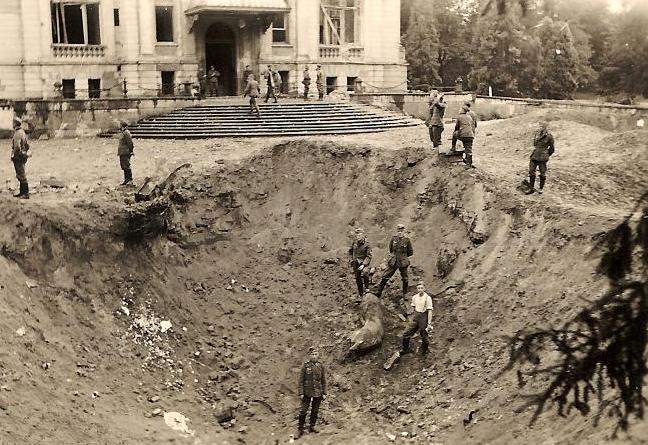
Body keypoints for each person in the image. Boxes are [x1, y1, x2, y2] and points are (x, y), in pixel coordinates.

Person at [297, 347, 327, 438]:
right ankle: (300, 429)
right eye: (312, 354)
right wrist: (301, 393)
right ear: (309, 356)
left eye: (316, 354)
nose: (314, 356)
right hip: (307, 392)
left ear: (318, 355)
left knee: (315, 410)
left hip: (318, 391)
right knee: (303, 411)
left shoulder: (320, 366)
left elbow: (323, 381)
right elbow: (301, 381)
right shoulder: (305, 366)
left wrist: (324, 393)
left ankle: (312, 426)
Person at [377, 224, 413, 297]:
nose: (400, 232)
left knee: (405, 278)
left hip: (403, 261)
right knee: (385, 275)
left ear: (404, 232)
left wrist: (403, 257)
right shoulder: (394, 239)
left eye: (401, 231)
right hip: (394, 261)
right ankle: (379, 292)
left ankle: (405, 293)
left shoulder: (407, 240)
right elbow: (391, 249)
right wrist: (394, 256)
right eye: (398, 231)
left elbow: (410, 252)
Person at [401, 283, 433, 356]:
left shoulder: (427, 298)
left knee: (424, 336)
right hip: (416, 317)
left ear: (424, 289)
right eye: (418, 288)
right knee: (406, 333)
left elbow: (430, 311)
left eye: (421, 288)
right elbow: (413, 308)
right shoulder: (415, 297)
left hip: (423, 317)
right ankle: (405, 349)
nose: (420, 290)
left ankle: (424, 352)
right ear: (417, 289)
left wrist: (429, 323)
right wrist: (412, 317)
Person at [527, 121, 555, 194]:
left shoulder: (549, 136)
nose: (539, 128)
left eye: (541, 126)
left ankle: (541, 188)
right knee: (531, 171)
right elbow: (535, 144)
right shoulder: (536, 134)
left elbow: (552, 148)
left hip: (543, 157)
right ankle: (531, 188)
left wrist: (546, 154)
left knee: (542, 173)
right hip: (535, 155)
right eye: (539, 126)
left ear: (545, 128)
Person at [10, 117, 30, 199]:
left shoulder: (17, 133)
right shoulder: (22, 132)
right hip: (22, 156)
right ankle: (22, 192)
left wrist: (14, 156)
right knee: (21, 173)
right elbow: (27, 145)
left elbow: (17, 147)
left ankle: (25, 193)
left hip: (18, 157)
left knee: (21, 174)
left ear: (15, 124)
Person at [348, 228, 372, 297]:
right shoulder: (354, 243)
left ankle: (367, 288)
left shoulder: (367, 244)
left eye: (359, 235)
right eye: (357, 235)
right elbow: (350, 251)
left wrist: (364, 265)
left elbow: (369, 256)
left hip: (364, 262)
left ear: (363, 235)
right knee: (357, 278)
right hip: (356, 263)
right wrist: (351, 260)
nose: (358, 237)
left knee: (365, 273)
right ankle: (360, 293)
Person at [117, 120, 134, 185]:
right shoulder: (123, 132)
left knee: (126, 166)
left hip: (126, 152)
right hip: (122, 152)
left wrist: (131, 151)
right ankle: (126, 180)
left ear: (122, 125)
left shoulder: (126, 132)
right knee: (123, 166)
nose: (119, 126)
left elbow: (130, 142)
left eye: (120, 124)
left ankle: (130, 180)